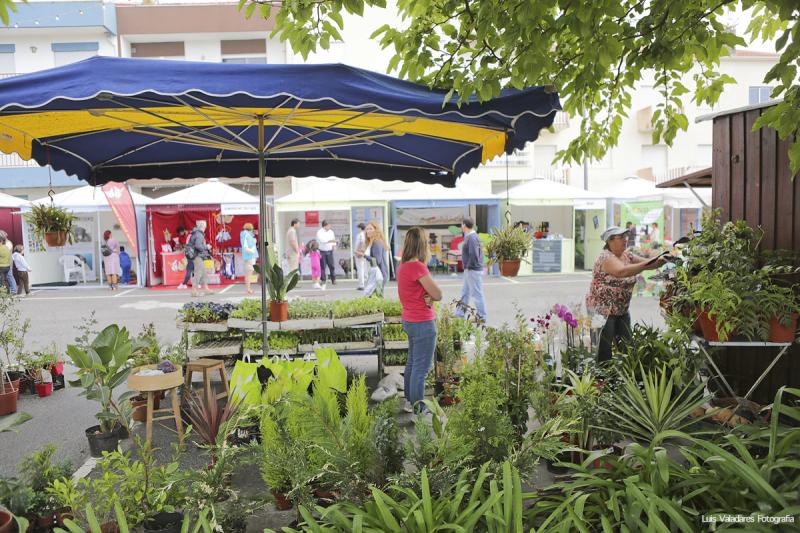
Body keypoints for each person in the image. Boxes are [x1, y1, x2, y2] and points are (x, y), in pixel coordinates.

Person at [586, 226, 665, 362]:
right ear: (610, 241)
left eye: (626, 237)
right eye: (621, 237)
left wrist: (662, 260)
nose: (625, 240)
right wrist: (647, 265)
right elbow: (622, 271)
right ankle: (602, 375)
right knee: (603, 350)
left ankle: (622, 373)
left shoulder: (627, 255)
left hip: (621, 309)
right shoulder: (606, 257)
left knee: (626, 347)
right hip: (602, 310)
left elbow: (648, 263)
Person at [397, 226, 443, 414]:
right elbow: (438, 294)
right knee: (421, 369)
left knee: (412, 364)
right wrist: (431, 296)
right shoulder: (417, 267)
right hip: (423, 322)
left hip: (410, 320)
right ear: (422, 244)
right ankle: (418, 409)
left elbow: (416, 293)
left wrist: (427, 296)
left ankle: (410, 402)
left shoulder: (403, 266)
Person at [455, 217, 487, 322]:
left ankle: (482, 316)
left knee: (476, 293)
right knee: (465, 292)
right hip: (471, 269)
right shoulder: (471, 236)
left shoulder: (471, 237)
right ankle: (460, 313)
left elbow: (474, 255)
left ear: (464, 225)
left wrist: (468, 266)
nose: (461, 226)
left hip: (472, 270)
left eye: (461, 224)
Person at [187, 220, 212, 297]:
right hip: (197, 255)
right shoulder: (199, 234)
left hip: (196, 255)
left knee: (203, 272)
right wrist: (206, 247)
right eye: (205, 226)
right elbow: (198, 246)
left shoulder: (196, 233)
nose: (206, 227)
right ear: (203, 226)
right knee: (198, 272)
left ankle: (206, 289)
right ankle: (194, 291)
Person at [364, 221, 388, 296]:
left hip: (378, 275)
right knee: (374, 298)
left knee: (375, 298)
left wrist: (364, 256)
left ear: (376, 230)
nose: (368, 231)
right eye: (367, 229)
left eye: (370, 229)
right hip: (374, 275)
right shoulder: (371, 242)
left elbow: (377, 261)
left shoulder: (376, 242)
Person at [316, 220, 337, 289]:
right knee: (323, 266)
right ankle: (323, 280)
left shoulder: (331, 232)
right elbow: (322, 241)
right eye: (329, 225)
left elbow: (333, 240)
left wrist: (334, 245)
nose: (330, 226)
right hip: (322, 251)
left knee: (331, 266)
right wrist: (330, 241)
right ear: (325, 226)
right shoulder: (319, 232)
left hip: (330, 251)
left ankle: (333, 279)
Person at [240, 222, 259, 295]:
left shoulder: (244, 234)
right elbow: (249, 245)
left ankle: (248, 288)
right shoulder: (247, 236)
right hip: (250, 256)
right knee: (249, 274)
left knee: (248, 273)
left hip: (247, 256)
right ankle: (248, 289)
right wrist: (254, 242)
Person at [0, 230, 16, 294]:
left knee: (9, 276)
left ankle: (13, 290)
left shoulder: (8, 243)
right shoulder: (4, 243)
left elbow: (5, 254)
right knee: (5, 278)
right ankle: (8, 291)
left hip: (7, 262)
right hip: (5, 263)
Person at [354, 222, 367, 290]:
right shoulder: (366, 234)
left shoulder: (359, 235)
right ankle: (366, 283)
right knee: (365, 269)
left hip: (359, 253)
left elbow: (357, 245)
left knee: (360, 269)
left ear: (360, 228)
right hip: (365, 253)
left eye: (358, 228)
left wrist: (356, 252)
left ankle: (361, 285)